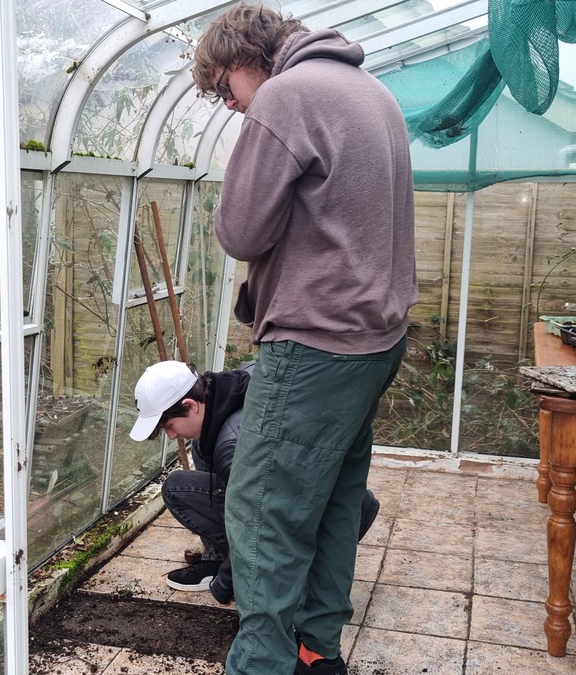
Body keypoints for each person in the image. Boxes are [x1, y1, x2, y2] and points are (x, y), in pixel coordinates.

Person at [191, 5, 418, 675]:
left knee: (260, 505)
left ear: (241, 61)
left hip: (317, 343)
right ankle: (318, 651)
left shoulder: (288, 94)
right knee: (333, 495)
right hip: (375, 339)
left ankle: (261, 663)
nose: (229, 105)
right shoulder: (374, 94)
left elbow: (240, 231)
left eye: (224, 89)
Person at [129, 360, 381, 606]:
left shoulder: (234, 446)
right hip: (315, 490)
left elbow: (261, 524)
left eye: (169, 426)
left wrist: (227, 581)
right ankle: (217, 560)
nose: (172, 435)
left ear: (190, 404)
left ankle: (285, 563)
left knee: (176, 488)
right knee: (201, 443)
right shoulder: (239, 381)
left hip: (326, 514)